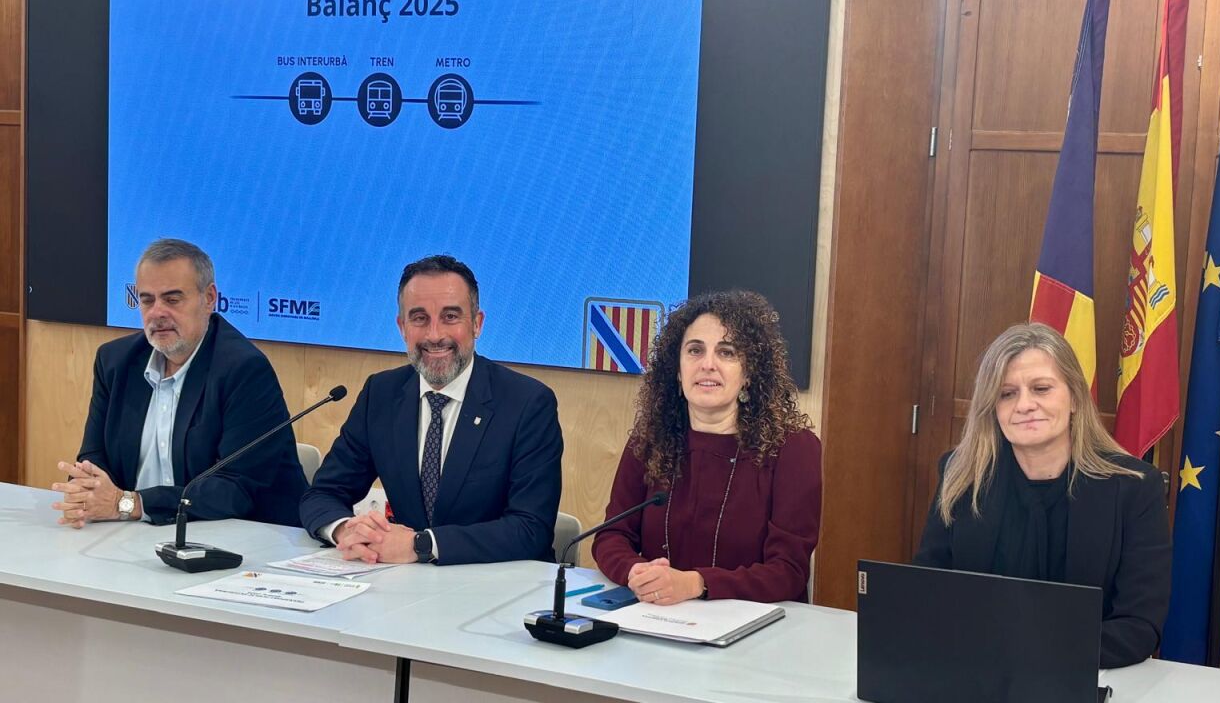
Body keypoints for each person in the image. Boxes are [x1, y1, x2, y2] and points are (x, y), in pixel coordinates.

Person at [913, 322, 1171, 668]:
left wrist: (1029, 654)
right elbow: (929, 590)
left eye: (1041, 389)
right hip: (976, 674)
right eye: (1007, 394)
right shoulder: (961, 474)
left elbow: (1139, 625)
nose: (1024, 405)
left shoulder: (1135, 487)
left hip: (1084, 675)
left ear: (1075, 398)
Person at [299, 255, 563, 565]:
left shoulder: (528, 403)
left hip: (497, 582)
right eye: (419, 318)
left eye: (450, 316)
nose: (435, 335)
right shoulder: (381, 393)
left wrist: (422, 545)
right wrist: (346, 530)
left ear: (477, 324)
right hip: (404, 582)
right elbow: (323, 494)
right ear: (402, 327)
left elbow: (531, 529)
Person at [52, 239, 306, 527]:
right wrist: (87, 490)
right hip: (135, 533)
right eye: (147, 300)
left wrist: (131, 504)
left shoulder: (243, 370)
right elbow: (93, 457)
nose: (157, 313)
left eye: (172, 300)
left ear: (209, 298)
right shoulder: (115, 362)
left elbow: (236, 489)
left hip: (239, 537)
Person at [592, 290, 821, 604]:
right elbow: (612, 536)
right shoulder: (650, 439)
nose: (707, 365)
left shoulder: (793, 449)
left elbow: (788, 571)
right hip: (656, 613)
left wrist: (697, 584)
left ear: (749, 373)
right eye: (695, 350)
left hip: (753, 624)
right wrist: (637, 572)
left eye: (726, 352)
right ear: (677, 369)